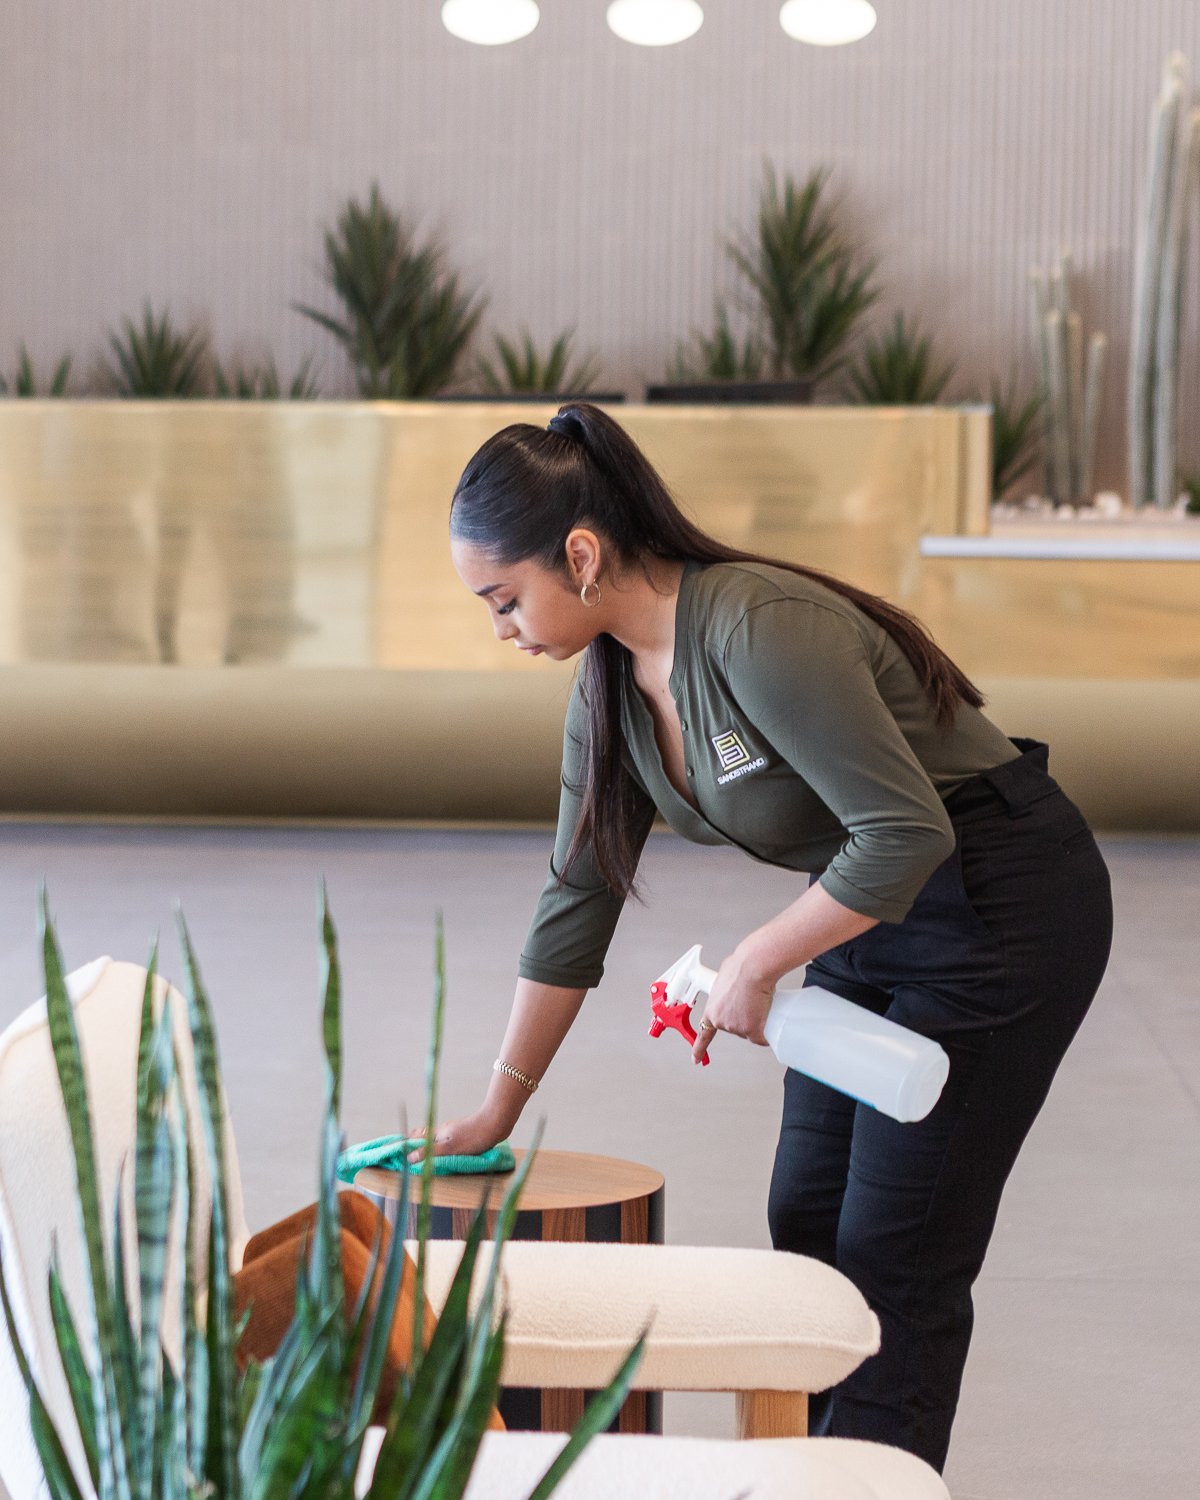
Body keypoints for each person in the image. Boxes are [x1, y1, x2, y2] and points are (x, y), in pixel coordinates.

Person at [427, 402, 1113, 1471]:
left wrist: (757, 960)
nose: (500, 626)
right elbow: (575, 900)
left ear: (581, 552)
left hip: (999, 902)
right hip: (863, 902)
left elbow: (907, 830)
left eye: (504, 597)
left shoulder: (753, 628)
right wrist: (496, 1107)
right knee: (808, 1222)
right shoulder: (609, 688)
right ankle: (815, 1476)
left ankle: (865, 1490)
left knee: (898, 1259)